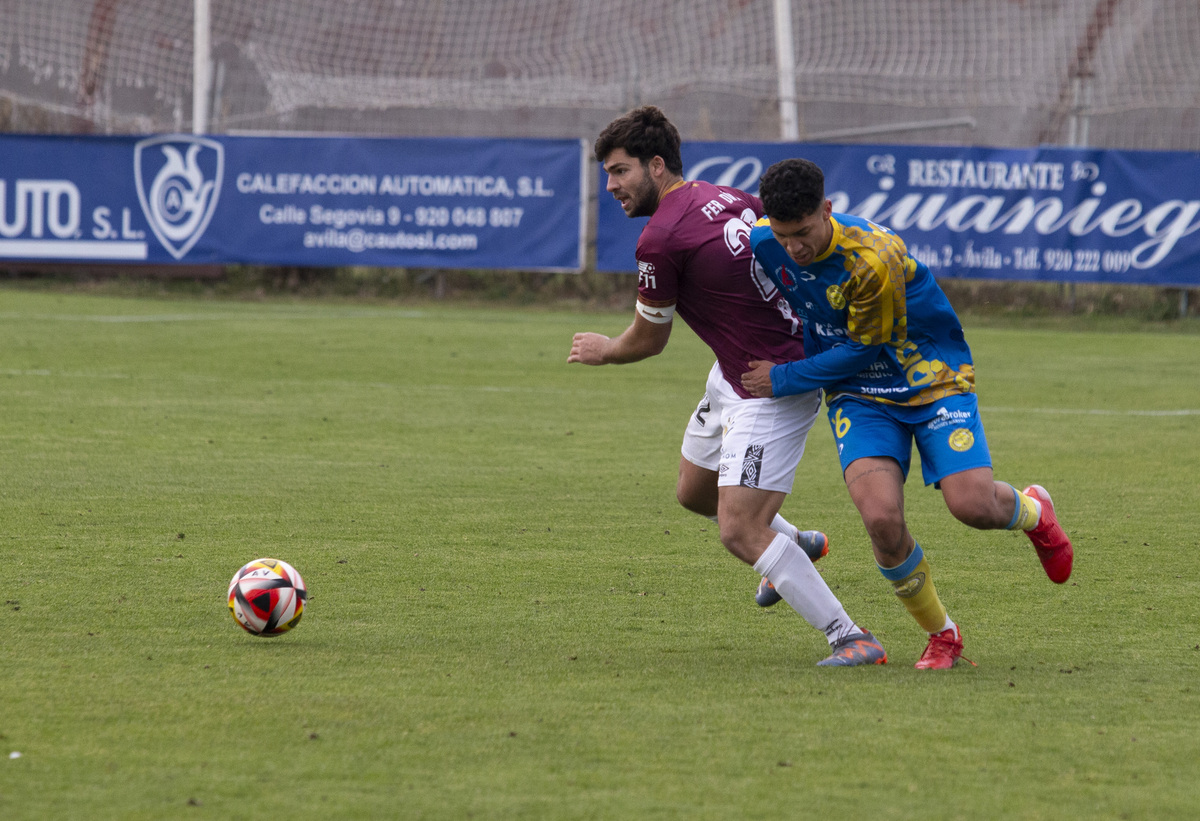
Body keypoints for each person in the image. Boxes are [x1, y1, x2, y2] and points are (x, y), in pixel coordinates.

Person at [567, 106, 886, 667]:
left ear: (657, 165)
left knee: (738, 528)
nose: (611, 185)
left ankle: (850, 635)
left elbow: (648, 339)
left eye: (620, 172)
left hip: (772, 385)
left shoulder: (661, 239)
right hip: (731, 374)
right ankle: (798, 543)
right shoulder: (726, 196)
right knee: (695, 494)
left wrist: (605, 350)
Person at [741, 157, 1074, 670]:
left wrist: (781, 378)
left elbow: (860, 348)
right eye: (784, 236)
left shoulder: (871, 260)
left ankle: (1033, 511)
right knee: (880, 520)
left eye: (804, 233)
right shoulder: (765, 239)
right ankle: (944, 635)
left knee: (972, 506)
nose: (795, 248)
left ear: (827, 210)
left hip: (930, 377)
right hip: (860, 395)